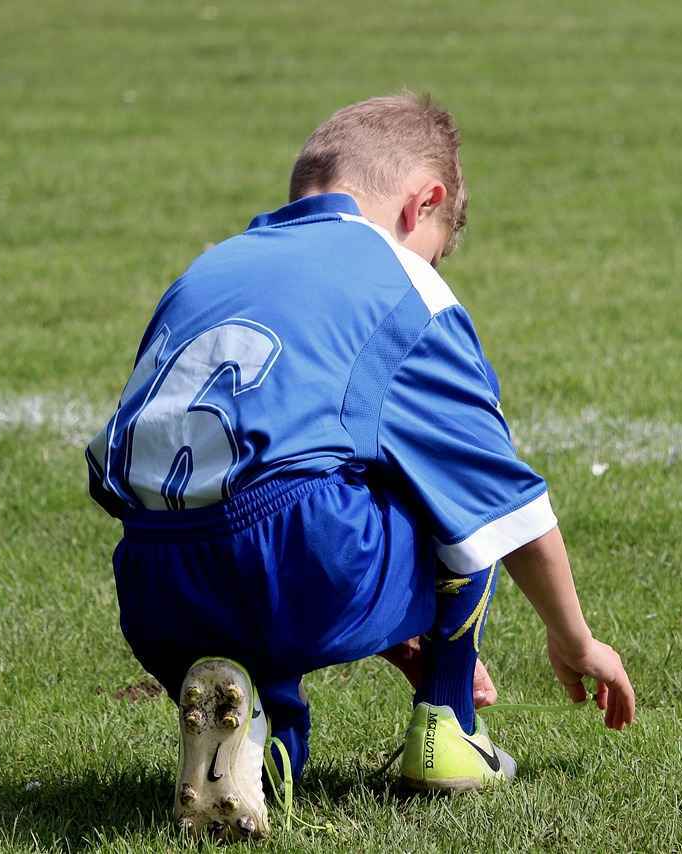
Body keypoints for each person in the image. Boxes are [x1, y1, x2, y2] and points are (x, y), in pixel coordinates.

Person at [84, 92, 635, 842]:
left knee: (277, 493)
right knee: (446, 477)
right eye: (436, 249)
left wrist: (382, 623)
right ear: (424, 203)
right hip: (294, 561)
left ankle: (267, 740)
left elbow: (118, 469)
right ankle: (448, 729)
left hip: (153, 591)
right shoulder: (401, 283)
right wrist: (574, 640)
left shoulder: (207, 271)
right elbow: (501, 499)